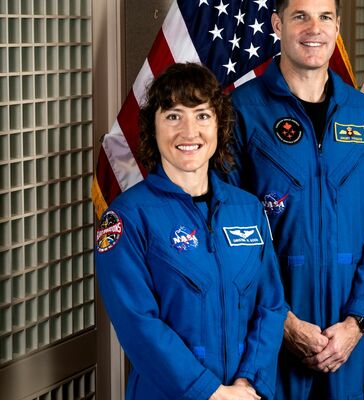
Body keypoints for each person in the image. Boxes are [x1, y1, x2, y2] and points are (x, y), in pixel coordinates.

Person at [227, 0, 364, 398]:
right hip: (267, 322)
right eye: (300, 16)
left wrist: (358, 322)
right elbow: (227, 229)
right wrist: (280, 321)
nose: (314, 28)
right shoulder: (242, 111)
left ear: (338, 26)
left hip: (345, 324)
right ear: (277, 24)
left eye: (324, 17)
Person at [95, 63, 287, 400]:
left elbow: (270, 305)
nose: (189, 131)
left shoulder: (248, 209)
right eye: (173, 116)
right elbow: (139, 324)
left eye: (202, 115)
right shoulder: (127, 218)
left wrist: (246, 383)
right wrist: (212, 392)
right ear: (152, 128)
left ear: (219, 125)